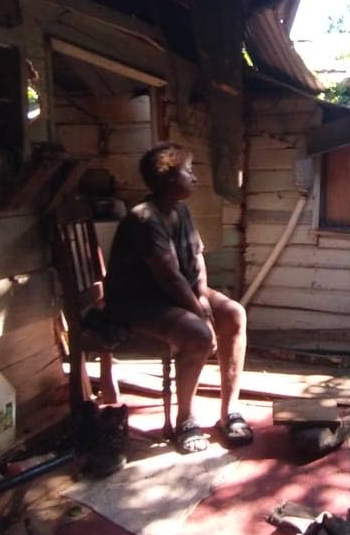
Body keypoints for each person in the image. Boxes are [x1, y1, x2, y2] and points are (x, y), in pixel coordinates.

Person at [104, 142, 252, 453]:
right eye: (188, 172)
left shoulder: (180, 210)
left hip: (173, 294)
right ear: (167, 178)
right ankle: (186, 419)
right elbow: (168, 277)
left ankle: (230, 412)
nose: (195, 178)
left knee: (235, 313)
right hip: (139, 301)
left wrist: (204, 298)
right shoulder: (145, 219)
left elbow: (196, 260)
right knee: (199, 335)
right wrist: (201, 316)